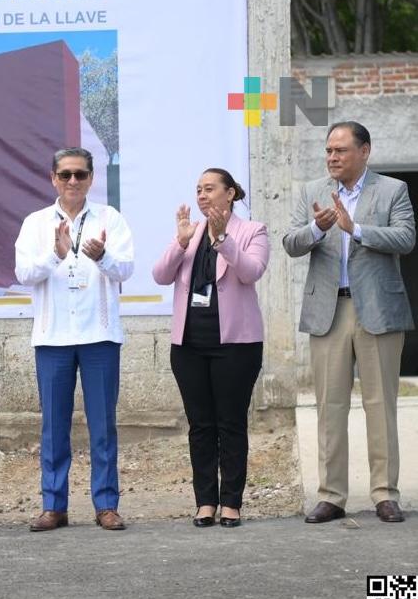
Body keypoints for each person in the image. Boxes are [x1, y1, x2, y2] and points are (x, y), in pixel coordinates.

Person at [283, 121, 415, 525]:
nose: (333, 158)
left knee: (380, 405)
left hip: (376, 308)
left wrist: (354, 229)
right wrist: (316, 227)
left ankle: (385, 494)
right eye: (329, 151)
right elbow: (290, 243)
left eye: (341, 150)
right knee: (329, 406)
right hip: (329, 310)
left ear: (365, 151)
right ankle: (331, 495)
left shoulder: (392, 190)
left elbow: (406, 239)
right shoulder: (312, 191)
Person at [14, 147, 134, 532]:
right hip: (53, 338)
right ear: (53, 178)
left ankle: (106, 504)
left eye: (80, 174)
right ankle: (54, 505)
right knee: (53, 426)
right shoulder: (35, 223)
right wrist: (55, 253)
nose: (72, 182)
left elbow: (126, 268)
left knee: (103, 425)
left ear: (91, 178)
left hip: (99, 336)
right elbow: (22, 272)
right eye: (64, 174)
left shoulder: (109, 219)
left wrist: (102, 257)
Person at [152, 169, 268, 528]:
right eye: (198, 190)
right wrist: (181, 243)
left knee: (230, 423)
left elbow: (251, 271)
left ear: (230, 193)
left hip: (236, 344)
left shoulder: (252, 231)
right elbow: (159, 275)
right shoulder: (191, 232)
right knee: (200, 425)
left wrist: (223, 241)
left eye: (210, 189)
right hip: (189, 345)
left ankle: (231, 502)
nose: (202, 195)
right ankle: (205, 502)